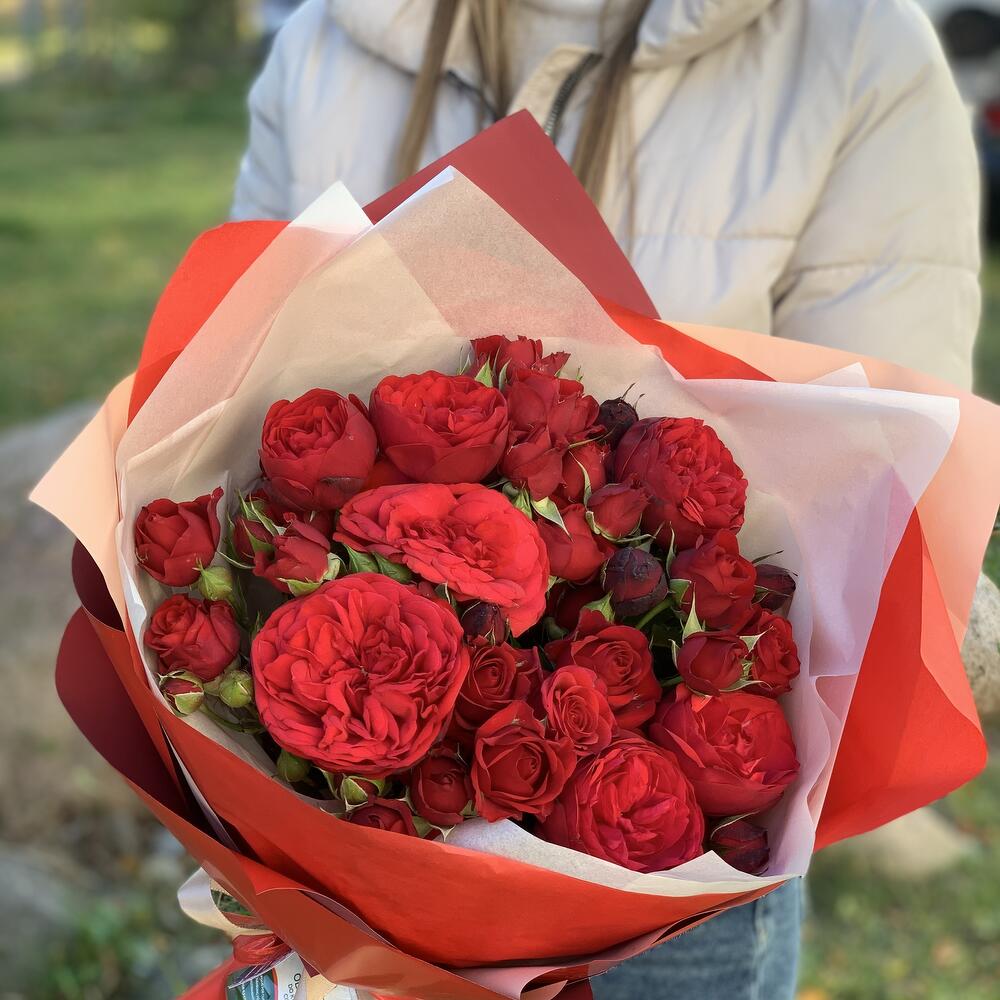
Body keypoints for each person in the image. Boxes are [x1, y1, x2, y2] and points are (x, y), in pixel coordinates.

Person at [230, 2, 980, 997]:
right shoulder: (330, 41)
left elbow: (876, 479)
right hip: (345, 851)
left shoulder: (848, 46)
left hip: (667, 875)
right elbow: (236, 391)